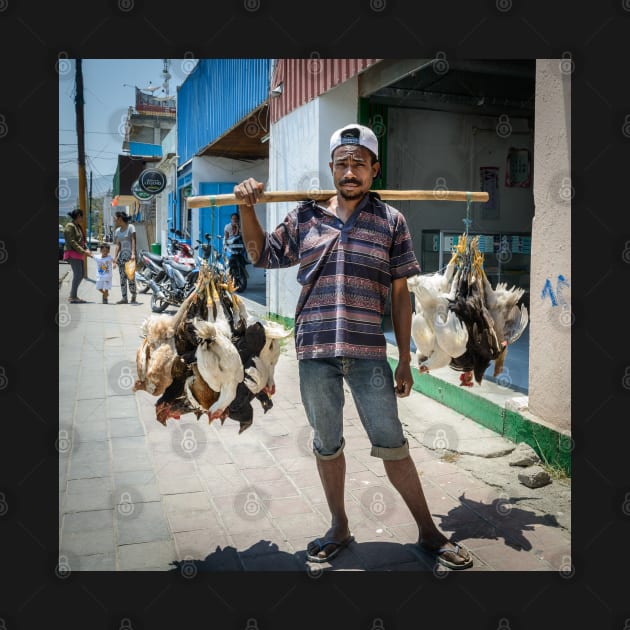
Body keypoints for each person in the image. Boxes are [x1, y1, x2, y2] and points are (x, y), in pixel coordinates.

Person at [233, 123, 473, 570]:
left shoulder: (391, 222)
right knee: (327, 443)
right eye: (342, 164)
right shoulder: (304, 218)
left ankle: (429, 531)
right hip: (315, 351)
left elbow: (401, 296)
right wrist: (247, 206)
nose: (349, 172)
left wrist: (404, 358)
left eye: (358, 164)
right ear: (331, 168)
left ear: (373, 169)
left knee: (391, 442)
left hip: (368, 354)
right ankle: (339, 525)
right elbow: (260, 254)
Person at [63, 208, 94, 303]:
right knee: (77, 275)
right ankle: (72, 296)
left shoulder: (77, 226)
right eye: (82, 216)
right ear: (78, 216)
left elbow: (82, 241)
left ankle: (74, 295)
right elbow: (72, 242)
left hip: (79, 254)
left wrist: (87, 249)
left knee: (81, 274)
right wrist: (84, 251)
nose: (83, 218)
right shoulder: (70, 226)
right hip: (72, 254)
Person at [112, 211, 137, 304]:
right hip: (122, 257)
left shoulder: (131, 227)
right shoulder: (118, 231)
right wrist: (115, 257)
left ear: (120, 218)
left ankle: (134, 294)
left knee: (131, 278)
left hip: (130, 256)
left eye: (115, 218)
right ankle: (124, 298)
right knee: (122, 278)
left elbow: (133, 240)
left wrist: (133, 253)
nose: (114, 220)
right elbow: (118, 245)